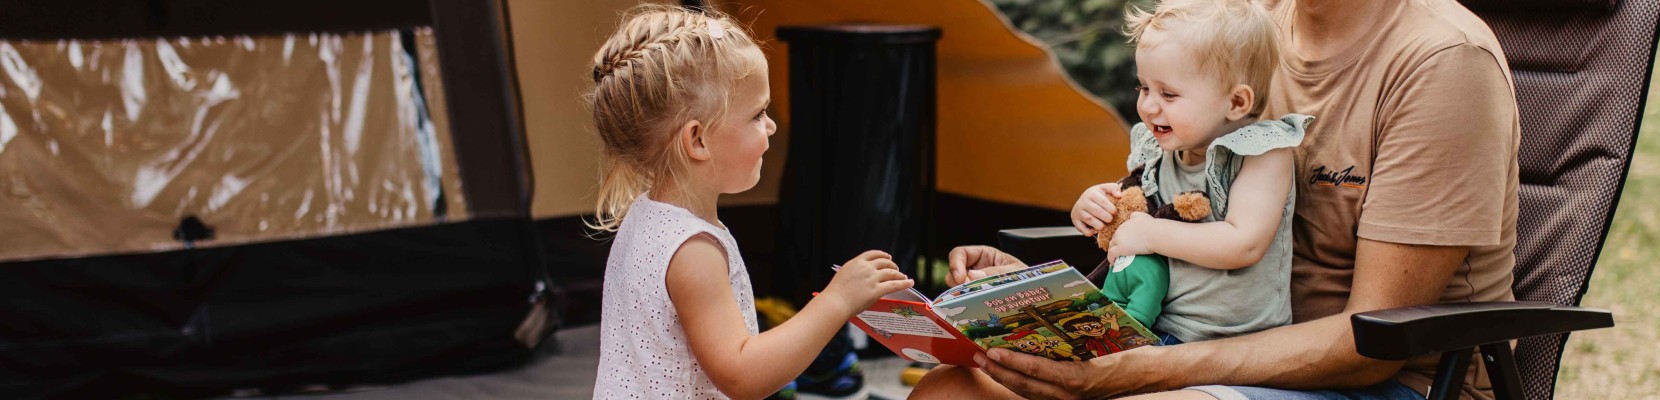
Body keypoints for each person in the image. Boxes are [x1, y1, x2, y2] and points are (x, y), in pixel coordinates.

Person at [911, 0, 1521, 398]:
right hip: (1195, 343)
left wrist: (1137, 372)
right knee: (947, 391)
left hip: (1386, 382)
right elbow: (1164, 220)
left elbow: (1373, 347)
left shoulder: (1442, 64)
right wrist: (1051, 294)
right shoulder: (1244, 29)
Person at [584, 5, 914, 399]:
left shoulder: (646, 217)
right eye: (757, 114)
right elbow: (743, 376)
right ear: (698, 141)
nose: (771, 126)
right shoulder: (692, 251)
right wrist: (837, 300)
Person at [1074, 0, 1310, 343]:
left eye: (1168, 94)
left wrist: (1152, 235)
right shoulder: (1165, 148)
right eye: (1143, 88)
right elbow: (1134, 210)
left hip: (1229, 342)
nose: (1148, 105)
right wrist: (1095, 205)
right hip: (1153, 323)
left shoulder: (1262, 155)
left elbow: (1243, 244)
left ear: (1236, 103)